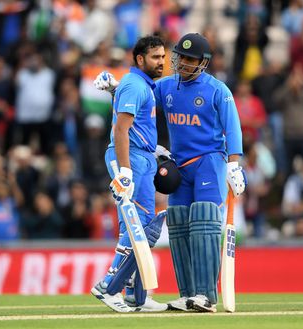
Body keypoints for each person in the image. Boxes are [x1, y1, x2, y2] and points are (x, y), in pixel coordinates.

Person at [96, 32, 246, 313]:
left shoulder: (217, 89)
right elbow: (139, 100)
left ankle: (205, 294)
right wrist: (116, 88)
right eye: (180, 57)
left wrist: (234, 164)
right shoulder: (167, 87)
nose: (183, 63)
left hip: (209, 161)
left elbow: (233, 127)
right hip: (179, 164)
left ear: (203, 62)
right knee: (177, 224)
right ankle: (187, 294)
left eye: (190, 59)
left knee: (203, 222)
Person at [90, 35, 168, 313]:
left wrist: (154, 149)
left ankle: (137, 296)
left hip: (142, 157)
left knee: (136, 225)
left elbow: (136, 126)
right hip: (129, 158)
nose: (162, 62)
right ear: (140, 59)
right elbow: (120, 130)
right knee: (141, 225)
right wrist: (124, 172)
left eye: (163, 56)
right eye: (156, 57)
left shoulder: (139, 85)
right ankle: (108, 287)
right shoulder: (135, 84)